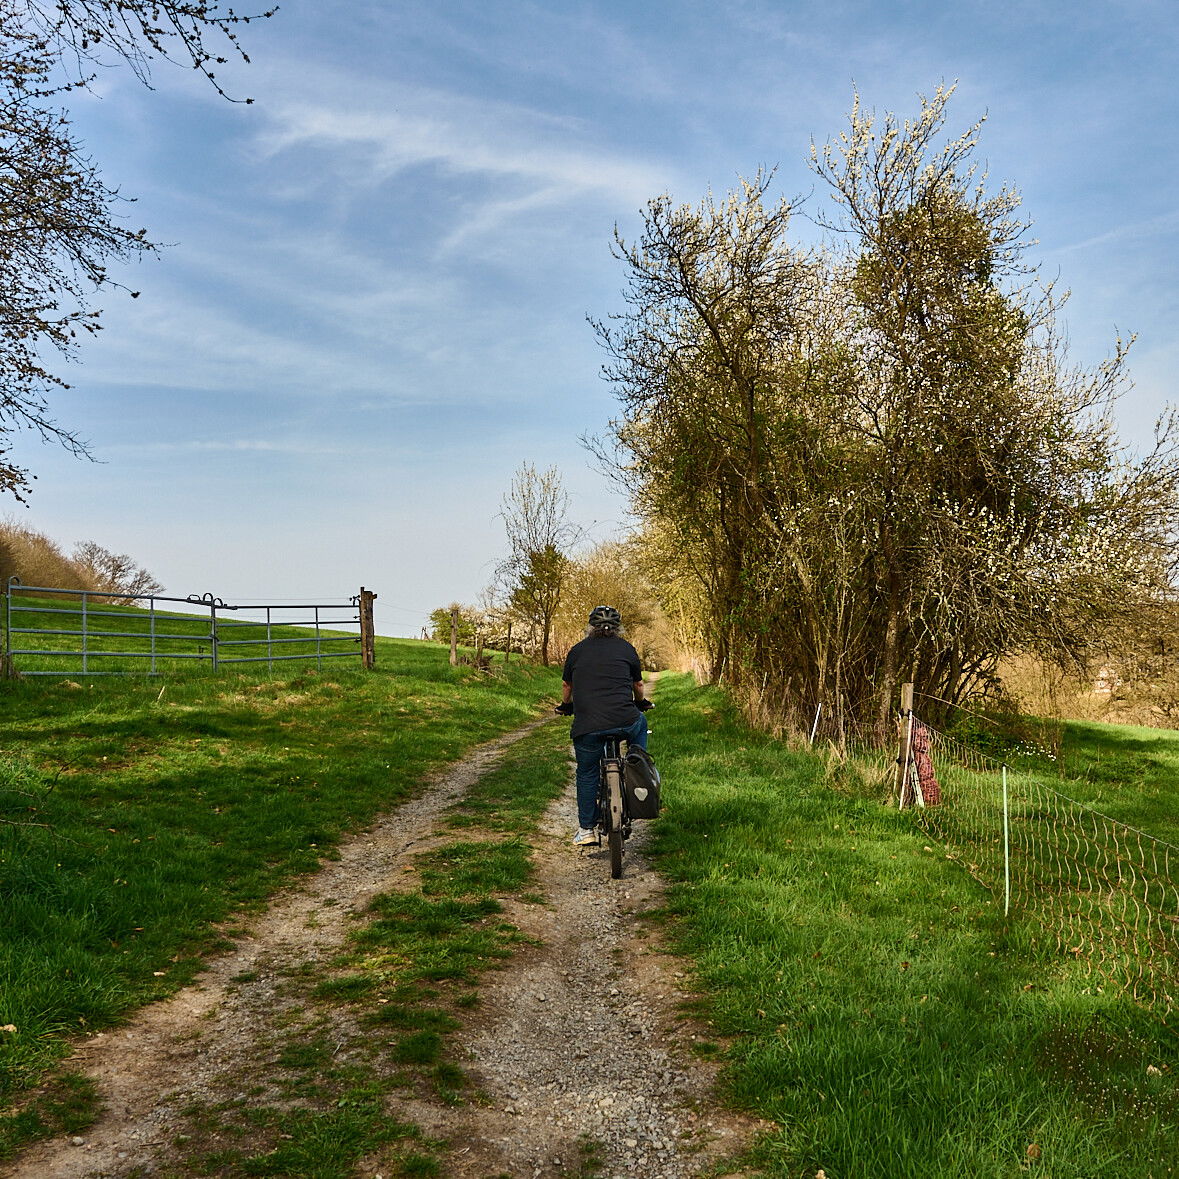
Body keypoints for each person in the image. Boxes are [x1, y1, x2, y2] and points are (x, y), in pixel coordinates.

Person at [556, 605, 651, 846]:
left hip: (588, 725)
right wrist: (641, 703)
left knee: (587, 772)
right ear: (618, 628)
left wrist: (566, 706)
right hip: (625, 720)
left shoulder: (577, 650)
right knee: (640, 723)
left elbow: (567, 686)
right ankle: (637, 763)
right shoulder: (627, 649)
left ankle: (586, 830)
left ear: (590, 627)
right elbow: (638, 686)